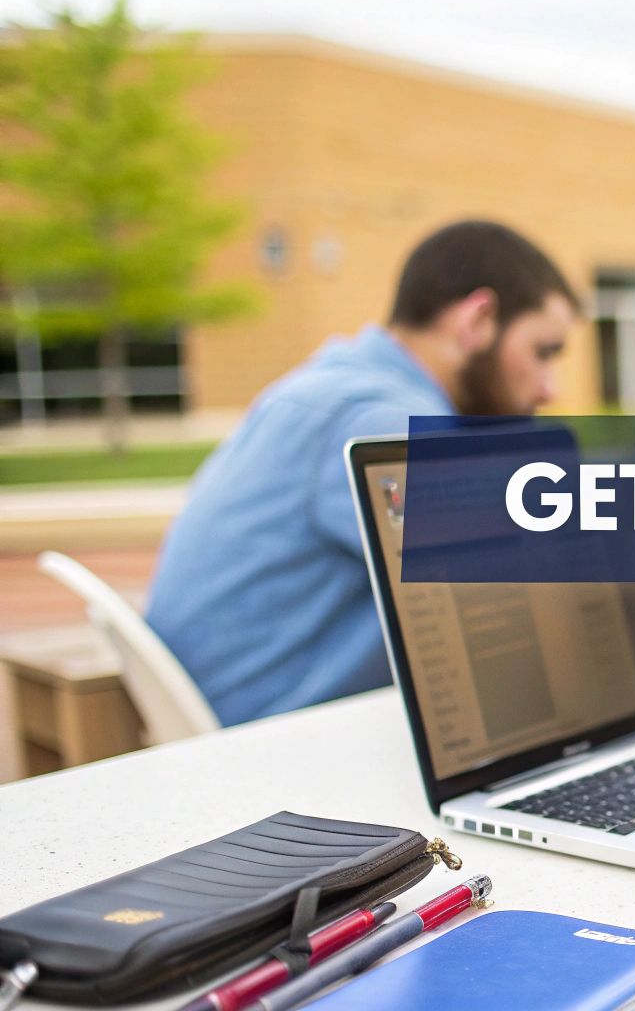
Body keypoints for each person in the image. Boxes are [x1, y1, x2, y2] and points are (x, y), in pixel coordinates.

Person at [147, 220, 581, 725]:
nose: (549, 388)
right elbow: (513, 604)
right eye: (543, 352)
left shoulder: (337, 387)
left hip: (242, 714)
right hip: (270, 745)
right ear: (477, 320)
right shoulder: (384, 419)